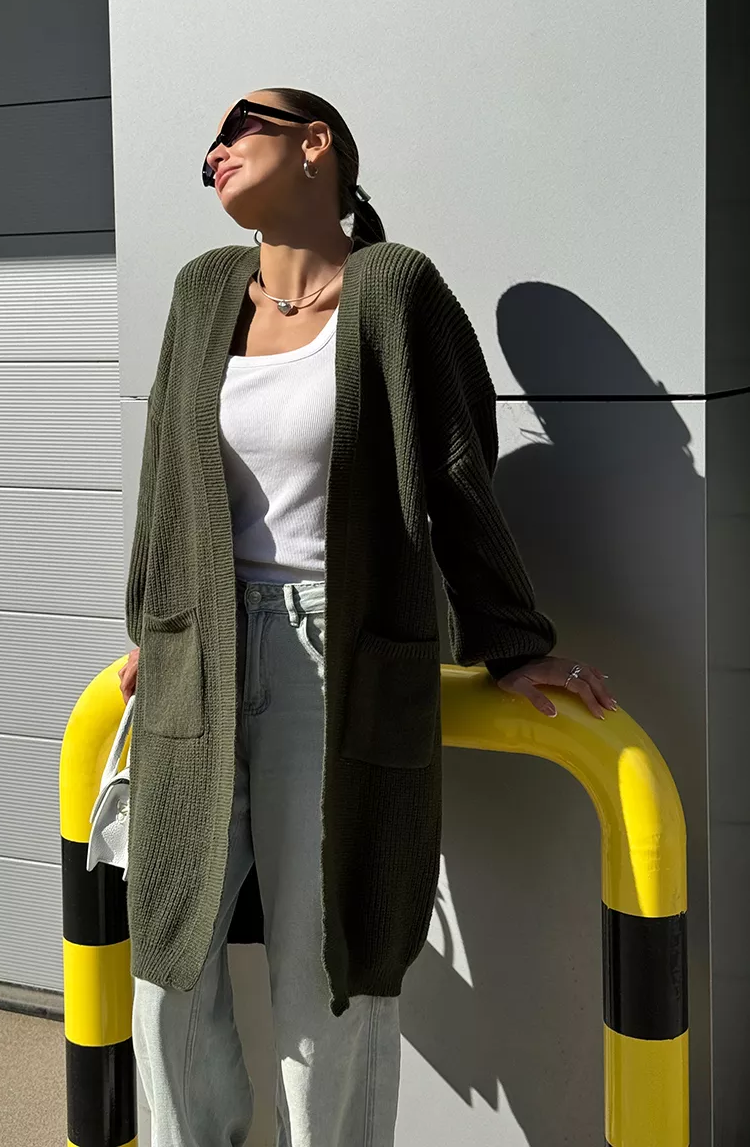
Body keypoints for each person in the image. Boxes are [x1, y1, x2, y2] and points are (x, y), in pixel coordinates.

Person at [117, 88, 616, 1147]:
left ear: (315, 144)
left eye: (236, 127)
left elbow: (458, 472)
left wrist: (511, 644)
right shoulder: (202, 290)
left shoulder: (393, 289)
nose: (214, 152)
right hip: (200, 649)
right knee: (167, 959)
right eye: (208, 147)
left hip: (334, 656)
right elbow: (166, 475)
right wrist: (150, 631)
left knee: (329, 971)